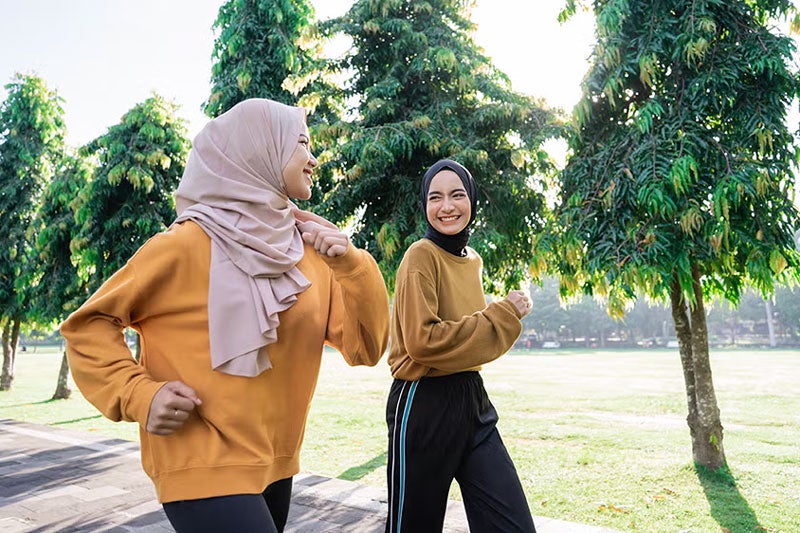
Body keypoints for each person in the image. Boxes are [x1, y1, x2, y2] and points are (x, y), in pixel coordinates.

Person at [60, 98, 390, 533]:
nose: (313, 159)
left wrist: (354, 266)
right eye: (302, 145)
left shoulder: (313, 250)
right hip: (199, 457)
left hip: (276, 461)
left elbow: (365, 349)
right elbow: (87, 326)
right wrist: (141, 395)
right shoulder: (184, 245)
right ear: (260, 149)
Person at [385, 159, 536, 533]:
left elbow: (469, 344)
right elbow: (424, 342)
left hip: (472, 399)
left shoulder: (473, 260)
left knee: (512, 525)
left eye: (457, 195)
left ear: (471, 200)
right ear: (425, 205)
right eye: (435, 197)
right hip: (422, 403)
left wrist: (499, 317)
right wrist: (501, 315)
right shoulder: (420, 255)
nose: (446, 206)